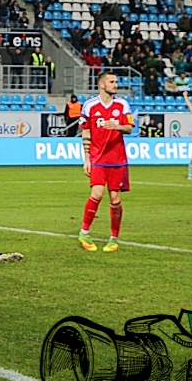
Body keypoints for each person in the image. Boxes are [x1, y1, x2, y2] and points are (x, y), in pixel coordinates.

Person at [78, 72, 134, 253]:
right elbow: (86, 132)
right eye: (112, 81)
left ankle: (113, 239)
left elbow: (130, 128)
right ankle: (84, 232)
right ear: (102, 85)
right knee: (97, 193)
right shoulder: (90, 106)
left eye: (116, 82)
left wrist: (117, 126)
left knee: (115, 199)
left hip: (118, 160)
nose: (115, 85)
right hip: (98, 159)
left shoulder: (122, 105)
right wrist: (86, 158)